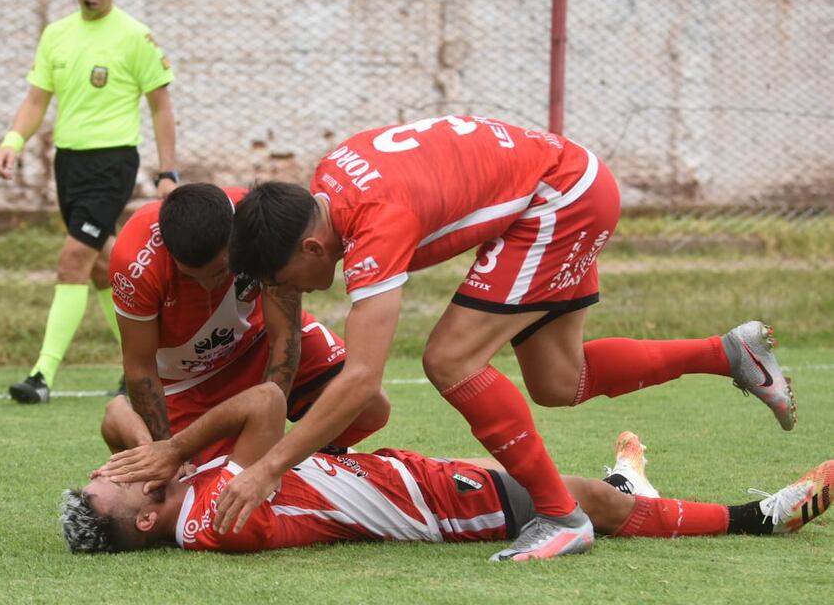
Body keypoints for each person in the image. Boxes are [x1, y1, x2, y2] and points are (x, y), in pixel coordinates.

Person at [219, 115, 798, 560]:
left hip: (558, 200)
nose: (289, 291)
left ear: (311, 247)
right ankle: (731, 352)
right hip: (567, 183)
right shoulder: (328, 181)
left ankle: (561, 517)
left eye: (282, 280)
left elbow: (363, 379)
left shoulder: (373, 226)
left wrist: (268, 467)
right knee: (559, 381)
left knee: (450, 359)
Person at [59, 382, 831, 555]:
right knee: (582, 502)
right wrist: (173, 452)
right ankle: (757, 519)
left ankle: (629, 483)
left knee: (543, 475)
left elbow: (117, 410)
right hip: (429, 509)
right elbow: (264, 402)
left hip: (405, 480)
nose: (117, 469)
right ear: (147, 516)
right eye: (114, 484)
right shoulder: (213, 515)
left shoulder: (175, 495)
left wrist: (150, 452)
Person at [0, 0, 180, 403]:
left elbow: (161, 107)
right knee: (101, 267)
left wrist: (167, 173)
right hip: (69, 164)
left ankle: (41, 375)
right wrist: (13, 140)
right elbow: (37, 99)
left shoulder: (136, 36)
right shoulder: (56, 35)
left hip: (113, 163)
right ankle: (145, 366)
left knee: (73, 259)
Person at [102, 182, 390, 463]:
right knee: (205, 481)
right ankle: (120, 416)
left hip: (258, 340)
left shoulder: (255, 221)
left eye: (220, 272)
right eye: (190, 277)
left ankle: (307, 465)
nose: (207, 286)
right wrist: (167, 453)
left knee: (369, 407)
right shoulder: (135, 261)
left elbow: (285, 334)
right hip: (190, 380)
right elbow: (140, 367)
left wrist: (268, 434)